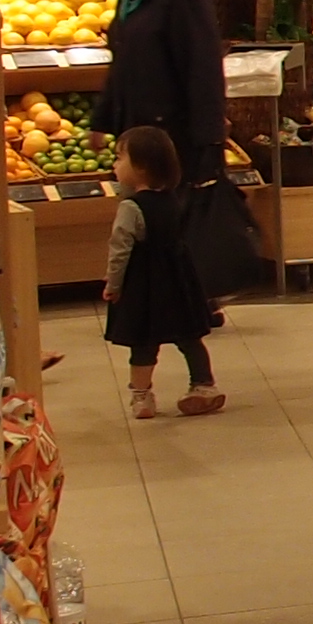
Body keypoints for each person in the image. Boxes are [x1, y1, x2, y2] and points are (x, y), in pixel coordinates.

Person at [88, 0, 225, 187]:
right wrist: (102, 120)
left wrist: (208, 146)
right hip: (137, 143)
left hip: (174, 146)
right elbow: (123, 58)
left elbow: (202, 65)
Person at [103, 125, 224, 417]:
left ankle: (142, 396)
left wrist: (113, 284)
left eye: (120, 158)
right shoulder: (174, 199)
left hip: (143, 284)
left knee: (143, 344)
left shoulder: (130, 207)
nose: (114, 165)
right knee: (189, 337)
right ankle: (203, 385)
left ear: (141, 167)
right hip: (178, 279)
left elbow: (120, 250)